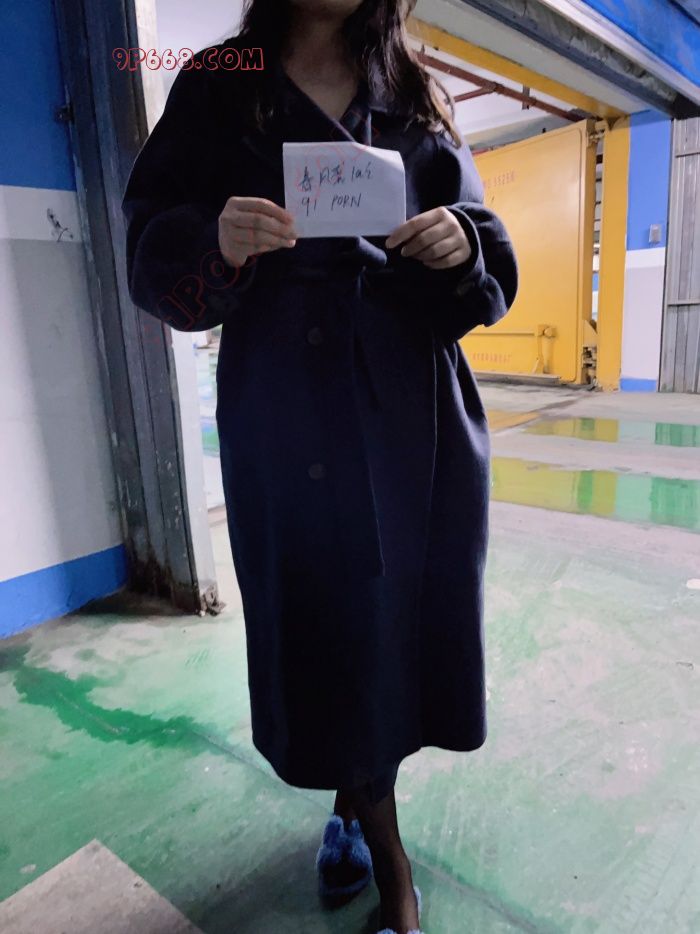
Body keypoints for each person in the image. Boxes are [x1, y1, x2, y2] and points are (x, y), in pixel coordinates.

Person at [122, 1, 518, 931]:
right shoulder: (220, 81)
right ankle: (389, 861)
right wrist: (216, 241)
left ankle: (359, 813)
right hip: (287, 407)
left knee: (393, 627)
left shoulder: (413, 89)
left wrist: (462, 244)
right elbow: (150, 239)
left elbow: (484, 251)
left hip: (409, 410)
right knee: (326, 623)